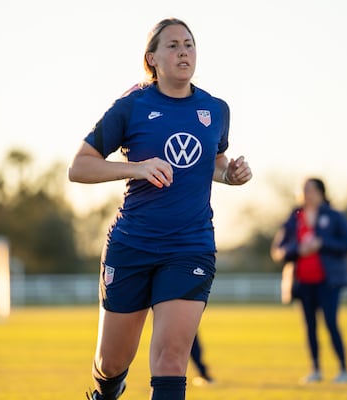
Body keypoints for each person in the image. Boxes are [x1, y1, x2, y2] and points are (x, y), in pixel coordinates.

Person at [69, 18, 252, 400]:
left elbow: (214, 163)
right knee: (111, 361)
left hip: (190, 246)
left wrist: (230, 174)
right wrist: (135, 167)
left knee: (171, 359)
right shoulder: (130, 107)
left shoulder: (216, 109)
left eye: (189, 44)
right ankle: (107, 389)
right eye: (172, 45)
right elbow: (79, 167)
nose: (184, 51)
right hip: (133, 244)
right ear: (151, 58)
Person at [270, 178, 347, 384]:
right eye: (303, 190)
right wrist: (298, 250)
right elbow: (278, 250)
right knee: (309, 327)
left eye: (309, 189)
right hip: (303, 282)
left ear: (320, 192)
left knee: (331, 323)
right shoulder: (294, 217)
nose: (305, 193)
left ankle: (344, 369)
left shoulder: (334, 216)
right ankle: (315, 369)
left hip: (328, 281)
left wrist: (321, 243)